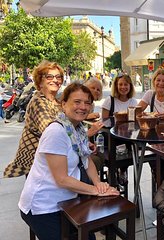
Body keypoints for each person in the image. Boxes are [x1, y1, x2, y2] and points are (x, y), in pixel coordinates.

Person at [18, 82, 119, 240]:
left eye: (87, 103)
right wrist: (96, 191)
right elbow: (62, 179)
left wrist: (98, 182)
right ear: (63, 104)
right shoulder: (56, 131)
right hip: (43, 207)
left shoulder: (77, 129)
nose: (83, 107)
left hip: (68, 202)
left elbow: (87, 161)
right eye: (77, 102)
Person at [3, 60, 64, 178]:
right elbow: (50, 130)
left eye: (58, 77)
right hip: (37, 162)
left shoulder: (57, 102)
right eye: (49, 77)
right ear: (40, 82)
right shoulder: (38, 101)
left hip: (53, 157)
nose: (55, 80)